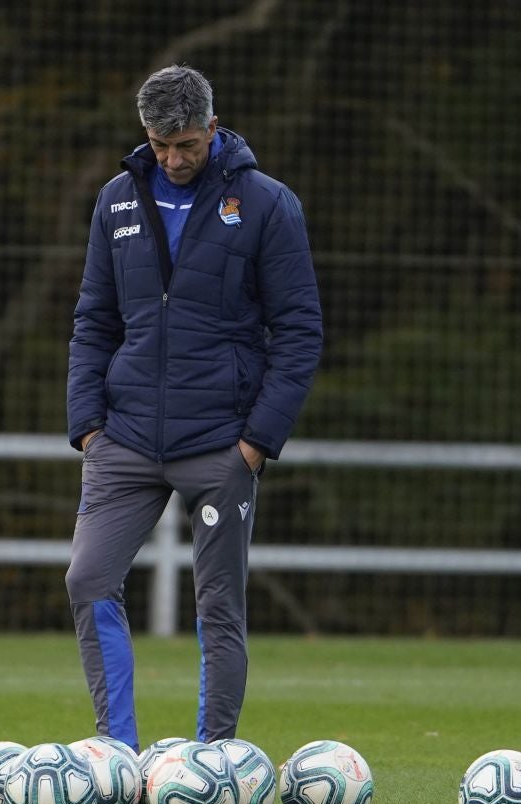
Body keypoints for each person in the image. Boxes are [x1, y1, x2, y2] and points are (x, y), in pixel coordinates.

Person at [65, 65, 323, 751]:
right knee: (88, 578)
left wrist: (256, 441)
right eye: (159, 145)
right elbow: (94, 319)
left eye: (185, 144)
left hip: (219, 444)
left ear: (212, 128)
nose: (172, 160)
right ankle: (115, 753)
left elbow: (298, 330)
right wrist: (87, 427)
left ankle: (212, 764)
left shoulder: (267, 204)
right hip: (121, 440)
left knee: (218, 607)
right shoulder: (116, 200)